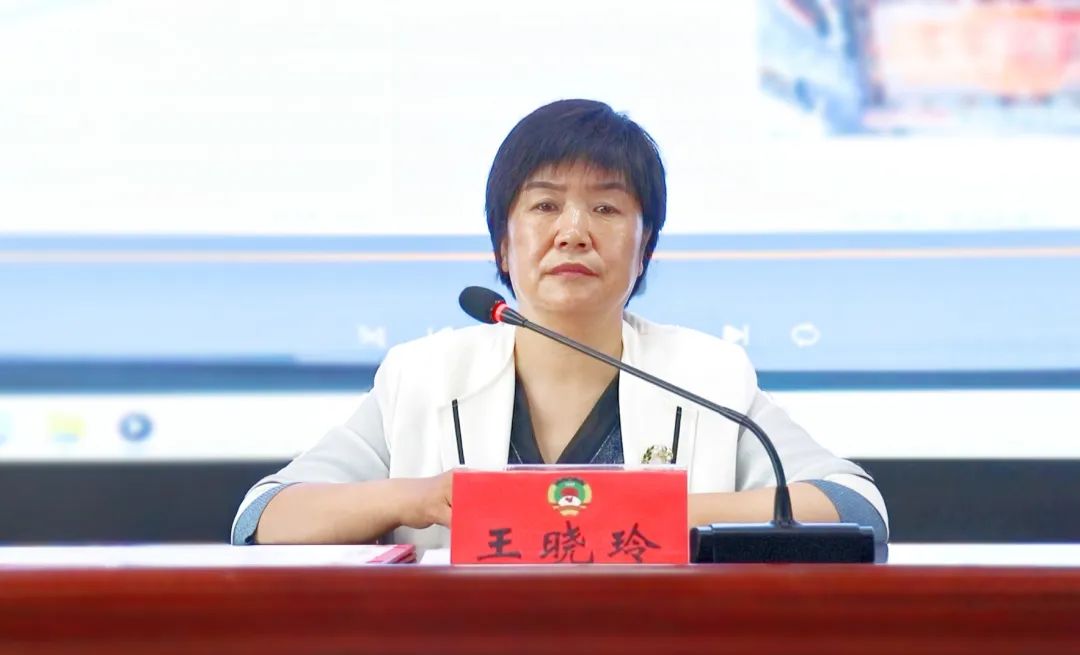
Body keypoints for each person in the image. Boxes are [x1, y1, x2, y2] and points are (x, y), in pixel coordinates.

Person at [232, 99, 888, 548]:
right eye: (545, 206)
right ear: (502, 245)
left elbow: (853, 505)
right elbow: (263, 518)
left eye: (606, 208)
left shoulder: (706, 375)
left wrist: (646, 514)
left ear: (645, 247)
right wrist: (420, 498)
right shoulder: (424, 376)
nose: (573, 232)